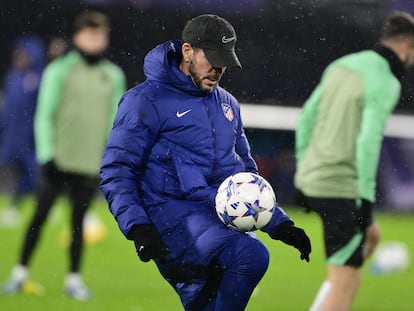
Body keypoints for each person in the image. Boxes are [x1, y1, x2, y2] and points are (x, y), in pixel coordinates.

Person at [100, 14, 311, 310]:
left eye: (224, 61)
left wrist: (278, 223)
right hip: (170, 227)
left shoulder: (228, 105)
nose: (219, 68)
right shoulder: (145, 101)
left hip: (217, 224)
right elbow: (117, 169)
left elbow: (243, 177)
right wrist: (138, 227)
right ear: (188, 51)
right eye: (212, 58)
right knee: (250, 256)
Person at [294, 11, 414, 311]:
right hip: (341, 189)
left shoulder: (342, 65)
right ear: (407, 45)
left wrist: (302, 170)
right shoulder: (387, 81)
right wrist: (365, 201)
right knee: (344, 283)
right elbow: (368, 141)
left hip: (313, 180)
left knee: (368, 243)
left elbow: (307, 117)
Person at [2, 10, 126, 300]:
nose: (96, 40)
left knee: (78, 223)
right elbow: (45, 115)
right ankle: (19, 274)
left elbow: (113, 122)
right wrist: (48, 155)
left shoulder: (113, 75)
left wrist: (108, 159)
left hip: (89, 163)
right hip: (58, 160)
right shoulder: (59, 70)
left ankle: (73, 280)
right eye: (91, 34)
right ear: (78, 36)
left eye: (101, 35)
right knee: (39, 218)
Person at [0, 35, 45, 227]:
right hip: (10, 137)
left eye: (24, 55)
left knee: (32, 176)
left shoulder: (38, 78)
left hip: (29, 139)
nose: (19, 58)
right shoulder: (12, 76)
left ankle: (21, 207)